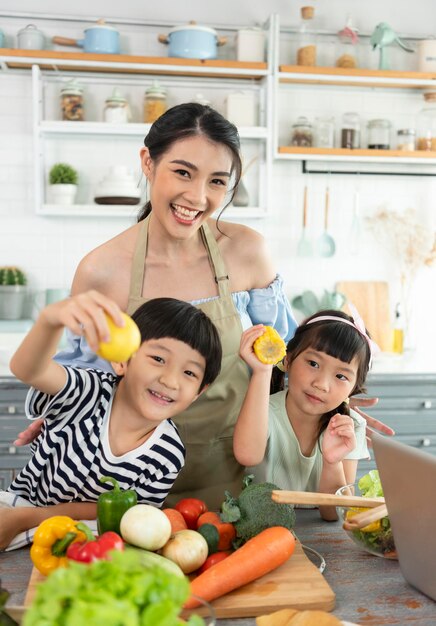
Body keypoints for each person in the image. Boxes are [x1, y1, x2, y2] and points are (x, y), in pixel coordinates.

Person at [13, 103, 392, 508]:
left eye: (216, 182)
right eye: (182, 172)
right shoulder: (102, 271)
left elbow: (281, 358)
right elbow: (84, 379)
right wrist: (62, 414)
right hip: (126, 477)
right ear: (147, 162)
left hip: (237, 471)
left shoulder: (247, 252)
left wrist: (332, 403)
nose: (197, 197)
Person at [0, 291, 222, 550]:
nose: (170, 381)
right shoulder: (88, 391)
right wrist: (50, 320)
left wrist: (29, 519)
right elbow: (28, 369)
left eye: (188, 372)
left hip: (90, 539)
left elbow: (132, 522)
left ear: (199, 392)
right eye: (158, 359)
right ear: (121, 360)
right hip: (17, 507)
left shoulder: (169, 455)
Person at [234, 309, 376, 521]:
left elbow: (334, 514)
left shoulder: (351, 427)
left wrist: (332, 462)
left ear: (354, 388)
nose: (321, 384)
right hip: (261, 530)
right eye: (313, 364)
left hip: (319, 539)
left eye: (340, 376)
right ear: (288, 360)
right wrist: (262, 371)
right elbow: (247, 456)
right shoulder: (262, 411)